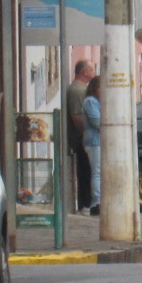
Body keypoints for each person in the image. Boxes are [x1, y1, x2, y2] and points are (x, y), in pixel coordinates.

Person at [64, 57, 93, 212]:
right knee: (86, 172)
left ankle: (86, 204)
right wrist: (85, 135)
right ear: (84, 72)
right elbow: (76, 116)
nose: (94, 72)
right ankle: (85, 204)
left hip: (83, 138)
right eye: (92, 69)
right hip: (81, 139)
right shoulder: (77, 90)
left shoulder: (81, 89)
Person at [82, 75, 104, 214]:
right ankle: (97, 202)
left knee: (100, 172)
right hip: (95, 142)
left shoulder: (99, 102)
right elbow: (97, 122)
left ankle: (99, 200)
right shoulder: (91, 101)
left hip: (100, 141)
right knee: (97, 172)